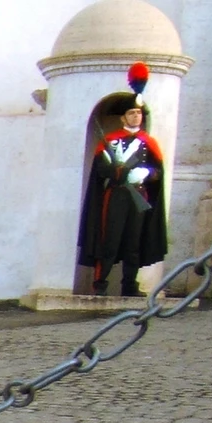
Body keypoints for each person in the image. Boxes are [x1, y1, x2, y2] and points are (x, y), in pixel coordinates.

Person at [78, 92, 166, 298]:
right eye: (131, 113)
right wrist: (118, 171)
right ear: (123, 118)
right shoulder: (110, 141)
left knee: (133, 242)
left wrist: (148, 173)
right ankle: (100, 283)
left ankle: (129, 284)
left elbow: (158, 171)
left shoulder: (148, 143)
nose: (136, 117)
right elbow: (101, 168)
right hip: (116, 195)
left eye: (138, 113)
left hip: (138, 196)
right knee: (110, 239)